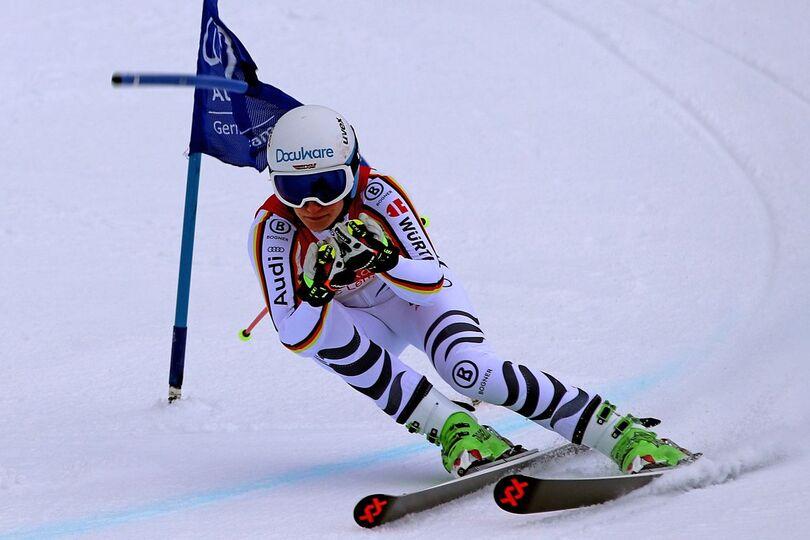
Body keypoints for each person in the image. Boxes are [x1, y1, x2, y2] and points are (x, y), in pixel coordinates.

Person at [249, 104, 691, 476]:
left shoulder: (378, 193)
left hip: (411, 301)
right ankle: (453, 427)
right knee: (327, 341)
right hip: (359, 325)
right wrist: (316, 293)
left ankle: (617, 431)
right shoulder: (273, 228)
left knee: (467, 370)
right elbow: (295, 337)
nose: (311, 206)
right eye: (292, 188)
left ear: (352, 172)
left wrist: (383, 260)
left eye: (327, 186)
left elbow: (430, 282)